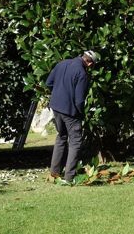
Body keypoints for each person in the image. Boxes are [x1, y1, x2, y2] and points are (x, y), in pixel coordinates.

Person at [46, 50, 99, 183]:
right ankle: (69, 176)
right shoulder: (81, 73)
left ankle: (54, 172)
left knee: (61, 137)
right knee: (75, 141)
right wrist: (81, 114)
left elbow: (49, 83)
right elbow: (79, 100)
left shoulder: (62, 63)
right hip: (70, 111)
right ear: (90, 62)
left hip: (56, 107)